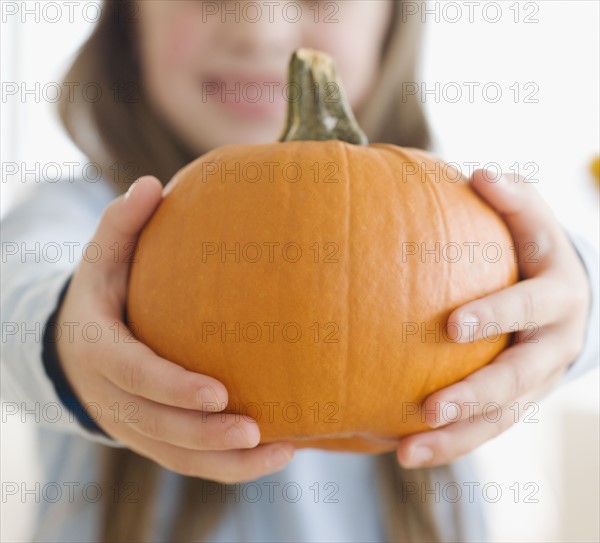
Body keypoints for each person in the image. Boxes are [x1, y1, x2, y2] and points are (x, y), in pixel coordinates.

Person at [2, 1, 598, 541]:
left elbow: (574, 282)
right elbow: (15, 291)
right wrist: (66, 342)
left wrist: (574, 299)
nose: (262, 30)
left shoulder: (453, 214)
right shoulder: (85, 216)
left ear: (393, 18)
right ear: (128, 18)